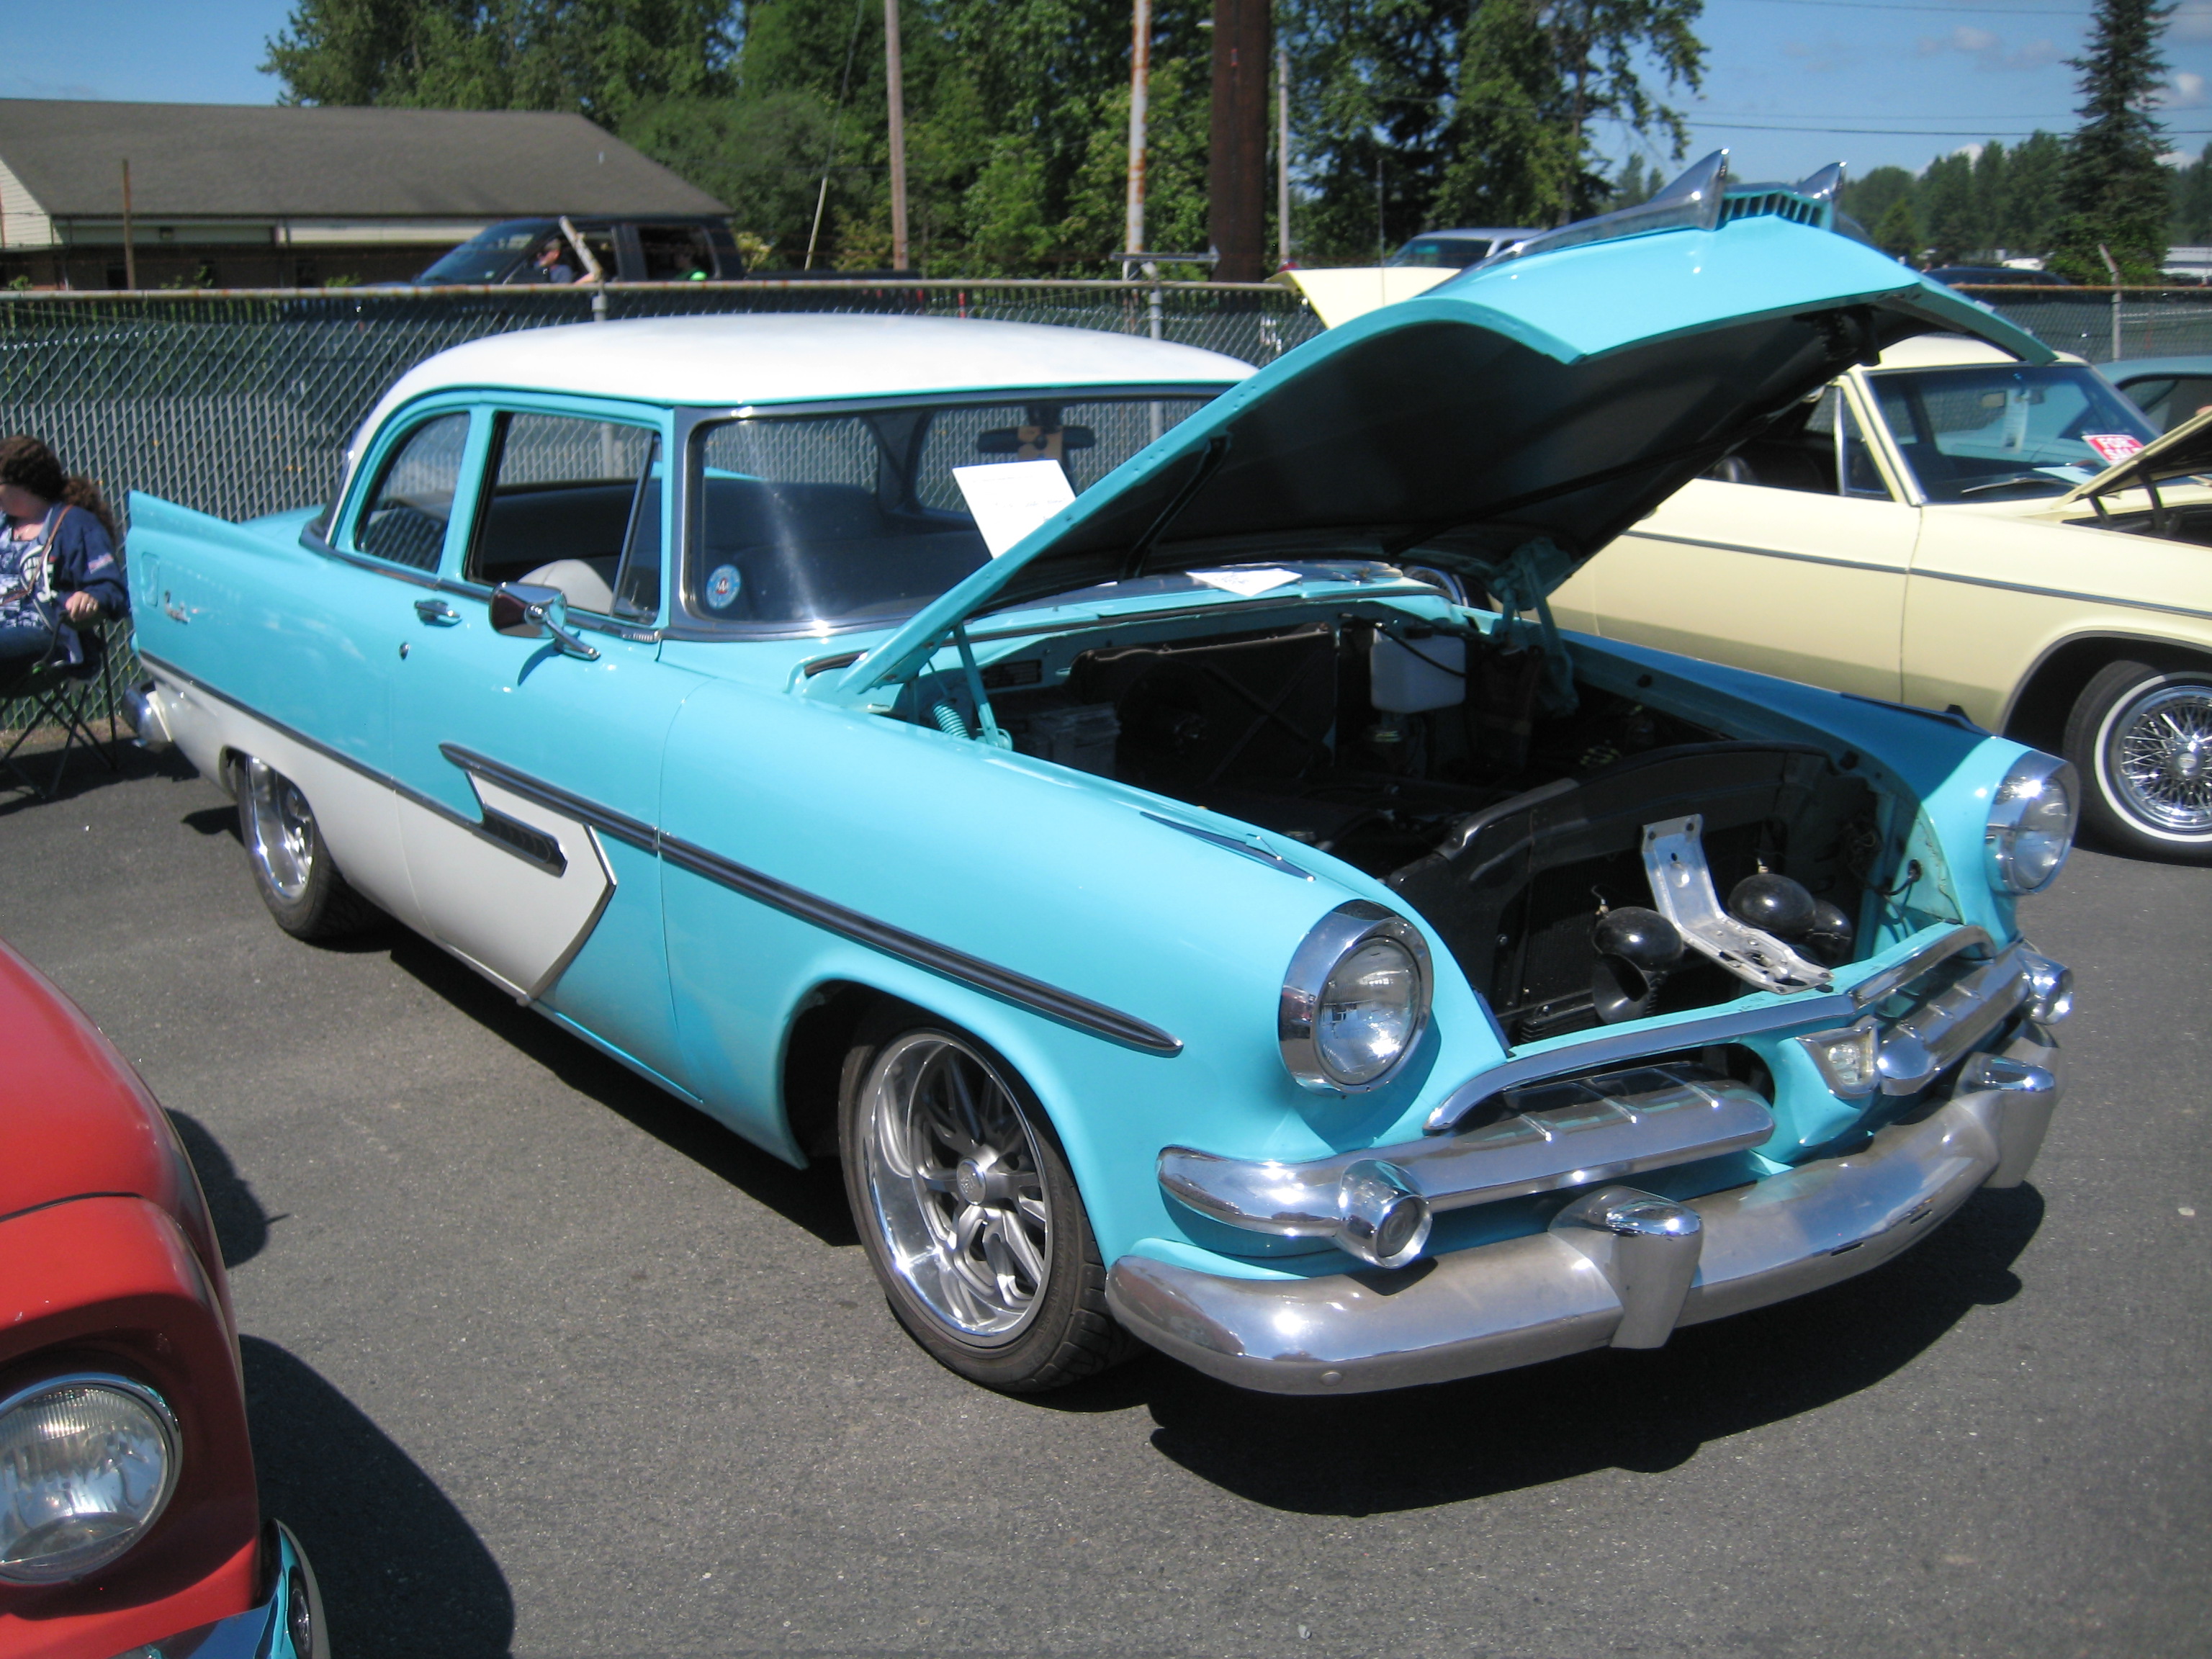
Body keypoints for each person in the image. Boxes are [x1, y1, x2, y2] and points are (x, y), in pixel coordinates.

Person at [0, 436, 127, 674]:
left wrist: (91, 598)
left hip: (47, 637)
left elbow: (111, 589)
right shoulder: (4, 525)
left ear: (23, 483)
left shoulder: (74, 524)